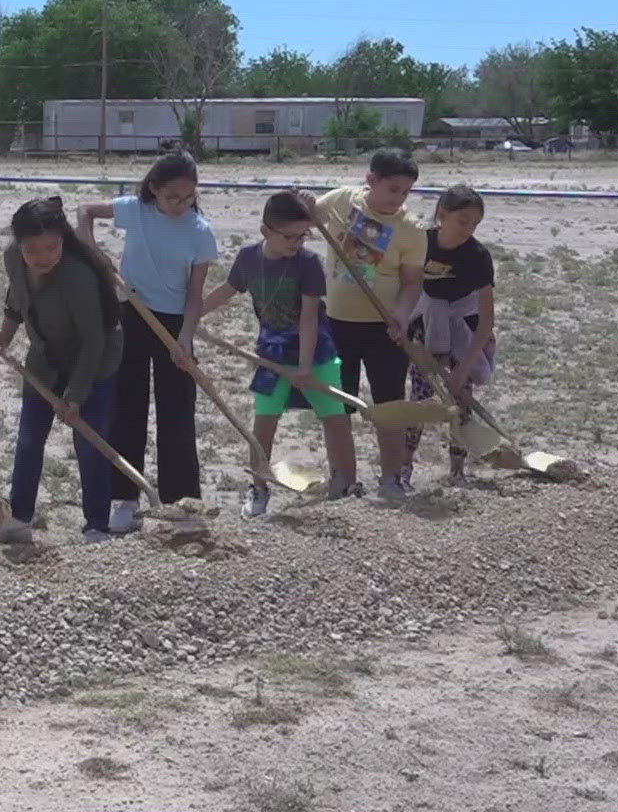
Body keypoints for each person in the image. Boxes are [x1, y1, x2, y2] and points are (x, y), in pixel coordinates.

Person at [76, 151, 216, 533]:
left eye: (189, 197)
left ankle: (182, 504)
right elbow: (84, 211)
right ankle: (125, 496)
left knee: (177, 414)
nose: (181, 205)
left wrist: (185, 338)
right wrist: (93, 250)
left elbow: (195, 294)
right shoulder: (135, 210)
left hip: (173, 324)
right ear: (154, 189)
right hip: (131, 314)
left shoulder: (200, 231)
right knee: (128, 406)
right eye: (173, 197)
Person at [0, 196, 124, 544]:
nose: (42, 257)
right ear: (18, 245)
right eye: (33, 250)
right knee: (29, 440)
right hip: (45, 359)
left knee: (89, 441)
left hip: (95, 361)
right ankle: (20, 518)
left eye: (51, 247)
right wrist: (5, 337)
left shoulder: (77, 276)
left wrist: (75, 395)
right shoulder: (12, 259)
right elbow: (17, 301)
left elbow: (93, 341)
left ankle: (97, 525)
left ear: (62, 238)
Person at [200, 190, 355, 516]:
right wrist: (193, 317)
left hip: (316, 352)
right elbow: (228, 290)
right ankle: (258, 489)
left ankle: (344, 485)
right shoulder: (247, 259)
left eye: (303, 235)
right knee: (265, 421)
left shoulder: (308, 263)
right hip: (272, 351)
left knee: (334, 416)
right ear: (265, 231)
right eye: (289, 236)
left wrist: (304, 367)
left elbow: (309, 317)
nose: (296, 242)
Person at [314, 147, 426, 501]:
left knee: (389, 406)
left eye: (406, 192)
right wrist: (301, 202)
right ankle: (342, 479)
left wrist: (403, 316)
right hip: (337, 323)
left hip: (385, 329)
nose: (398, 198)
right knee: (337, 406)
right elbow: (304, 216)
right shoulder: (341, 202)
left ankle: (391, 479)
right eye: (392, 189)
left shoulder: (411, 230)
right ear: (371, 180)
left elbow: (412, 283)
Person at [401, 185, 495, 486]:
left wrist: (463, 368)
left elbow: (486, 319)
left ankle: (457, 470)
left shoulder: (478, 256)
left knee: (460, 400)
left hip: (461, 327)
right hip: (422, 324)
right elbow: (400, 286)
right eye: (462, 220)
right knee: (420, 399)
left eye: (475, 223)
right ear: (442, 215)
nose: (469, 229)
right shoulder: (421, 243)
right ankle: (404, 466)